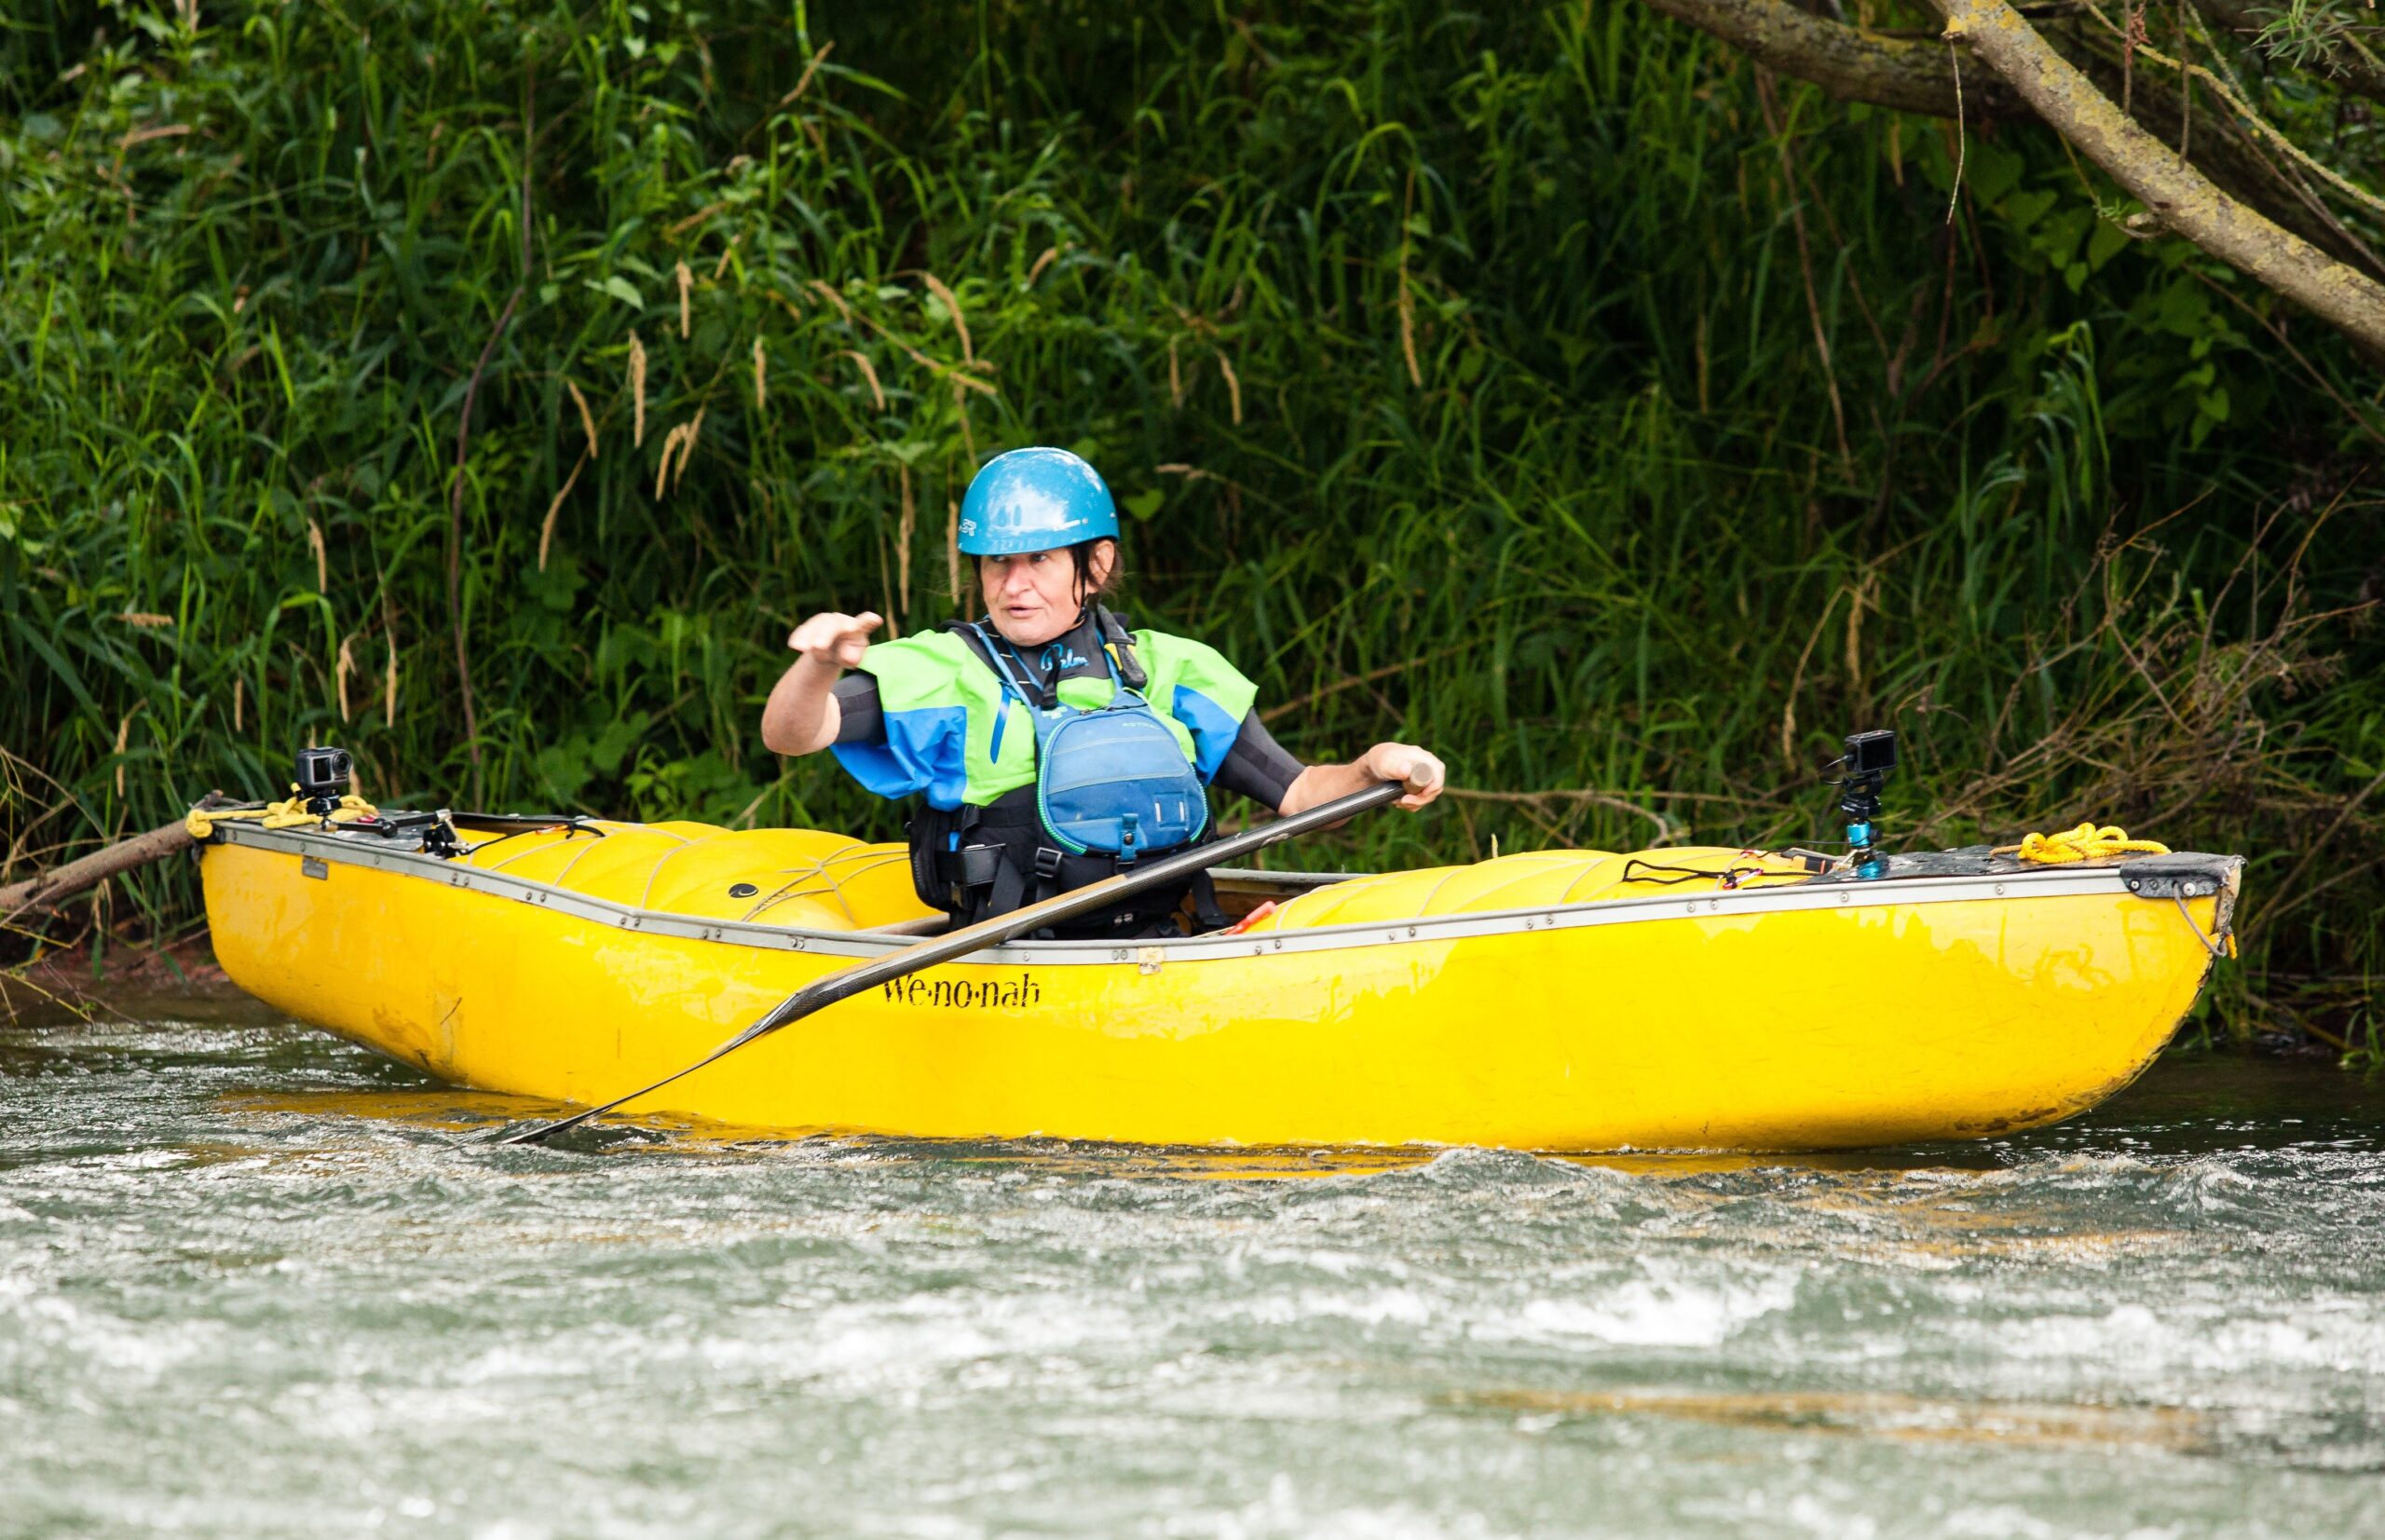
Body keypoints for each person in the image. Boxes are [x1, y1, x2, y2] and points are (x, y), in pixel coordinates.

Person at [760, 446, 1444, 936]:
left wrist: (1371, 767)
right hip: (1004, 963)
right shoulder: (939, 670)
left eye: (1039, 559)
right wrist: (817, 666)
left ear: (1097, 564)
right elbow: (793, 734)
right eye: (997, 561)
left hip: (1157, 949)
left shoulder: (1172, 671)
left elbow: (1301, 796)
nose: (1014, 584)